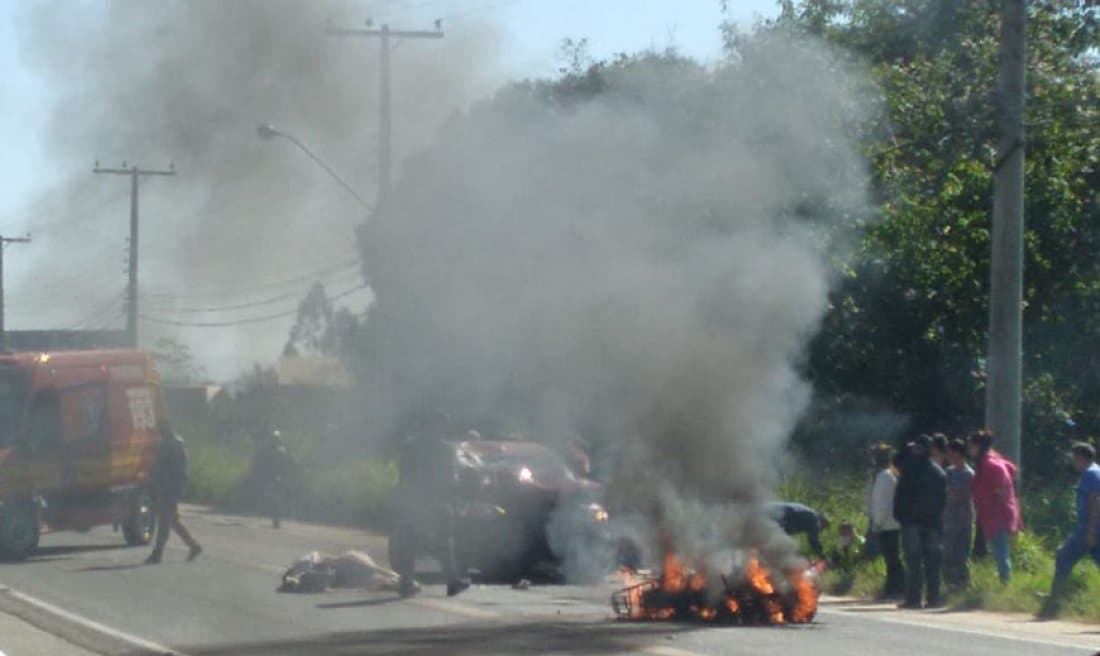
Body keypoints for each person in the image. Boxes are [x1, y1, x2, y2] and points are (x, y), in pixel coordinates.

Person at [390, 413, 470, 598]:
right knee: (444, 541)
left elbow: (403, 476)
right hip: (436, 501)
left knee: (408, 542)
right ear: (439, 427)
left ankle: (407, 582)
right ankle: (451, 581)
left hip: (413, 500)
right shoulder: (446, 450)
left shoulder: (410, 447)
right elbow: (451, 479)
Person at [1038, 443, 1100, 619]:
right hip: (1093, 526)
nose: (1073, 462)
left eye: (1074, 458)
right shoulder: (1096, 471)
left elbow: (1095, 501)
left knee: (1063, 555)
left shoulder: (1090, 474)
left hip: (1089, 526)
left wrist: (1091, 531)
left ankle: (1055, 601)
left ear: (1081, 457)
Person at [893, 435, 946, 609]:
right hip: (932, 524)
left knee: (914, 561)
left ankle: (914, 598)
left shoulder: (909, 470)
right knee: (932, 562)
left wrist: (900, 515)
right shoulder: (938, 472)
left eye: (916, 448)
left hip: (912, 523)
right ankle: (934, 598)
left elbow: (900, 495)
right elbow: (942, 502)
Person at [968, 429, 1022, 583]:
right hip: (994, 514)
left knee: (1001, 553)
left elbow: (1000, 489)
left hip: (998, 514)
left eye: (971, 446)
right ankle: (1004, 584)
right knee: (999, 552)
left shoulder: (989, 464)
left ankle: (1005, 585)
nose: (970, 449)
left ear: (978, 446)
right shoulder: (993, 460)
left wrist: (992, 502)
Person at [145, 422, 202, 564]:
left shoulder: (173, 444)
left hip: (168, 489)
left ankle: (158, 552)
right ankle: (193, 545)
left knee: (164, 521)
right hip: (165, 487)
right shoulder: (170, 443)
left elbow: (177, 470)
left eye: (161, 429)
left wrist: (171, 488)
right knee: (172, 521)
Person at [867, 445, 904, 599]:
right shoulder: (884, 475)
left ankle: (896, 587)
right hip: (887, 523)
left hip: (887, 524)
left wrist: (878, 522)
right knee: (890, 557)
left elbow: (881, 502)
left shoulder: (884, 477)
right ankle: (893, 587)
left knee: (892, 557)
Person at [943, 438, 974, 588]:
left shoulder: (968, 474)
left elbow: (961, 495)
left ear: (958, 453)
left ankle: (963, 585)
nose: (948, 456)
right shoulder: (948, 472)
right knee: (948, 553)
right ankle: (950, 585)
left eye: (950, 453)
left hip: (964, 519)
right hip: (949, 519)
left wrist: (952, 492)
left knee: (962, 554)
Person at [253, 429, 292, 528]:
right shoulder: (278, 449)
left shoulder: (276, 449)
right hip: (274, 476)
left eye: (275, 438)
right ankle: (275, 519)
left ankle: (276, 519)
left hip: (276, 476)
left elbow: (282, 464)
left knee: (276, 498)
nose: (274, 440)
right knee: (274, 498)